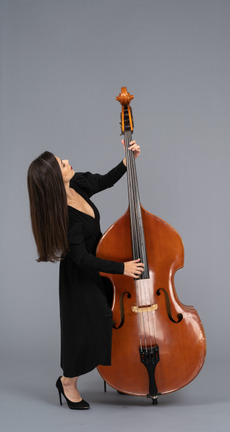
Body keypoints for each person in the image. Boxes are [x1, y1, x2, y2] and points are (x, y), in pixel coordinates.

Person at [27, 141, 144, 410]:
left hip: (99, 265)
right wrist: (123, 268)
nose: (67, 161)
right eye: (61, 164)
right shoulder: (65, 217)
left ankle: (116, 377)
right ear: (54, 179)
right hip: (81, 276)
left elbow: (105, 180)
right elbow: (81, 260)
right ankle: (67, 381)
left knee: (112, 317)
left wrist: (128, 160)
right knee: (90, 327)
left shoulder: (78, 184)